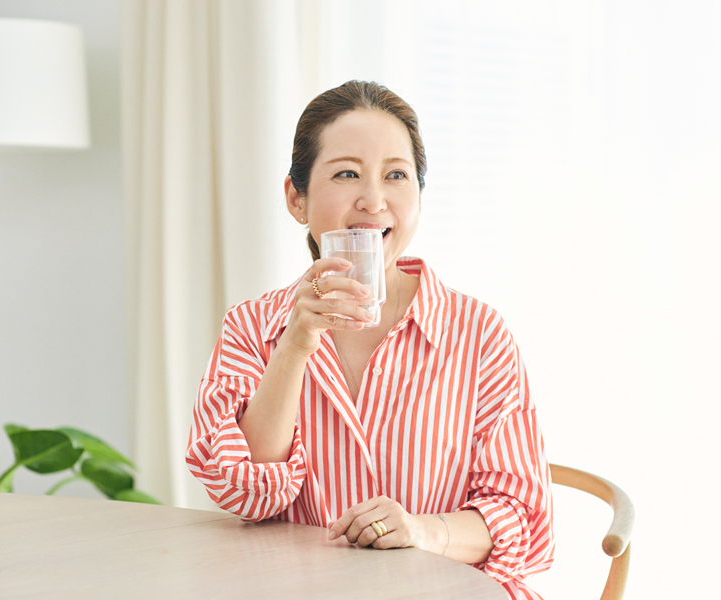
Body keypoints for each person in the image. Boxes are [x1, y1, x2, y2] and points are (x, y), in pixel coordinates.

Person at [186, 80, 554, 600]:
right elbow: (245, 494)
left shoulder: (478, 332)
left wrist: (423, 531)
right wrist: (294, 345)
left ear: (419, 198)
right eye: (347, 173)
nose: (374, 200)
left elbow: (520, 517)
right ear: (297, 198)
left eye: (396, 176)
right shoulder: (252, 327)